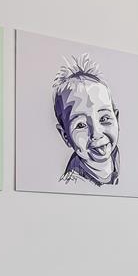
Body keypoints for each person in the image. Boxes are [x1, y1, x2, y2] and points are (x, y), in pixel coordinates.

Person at [51, 56, 119, 186]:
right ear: (66, 136)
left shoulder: (131, 163)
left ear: (116, 119)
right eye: (81, 125)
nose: (96, 133)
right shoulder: (72, 183)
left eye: (104, 119)